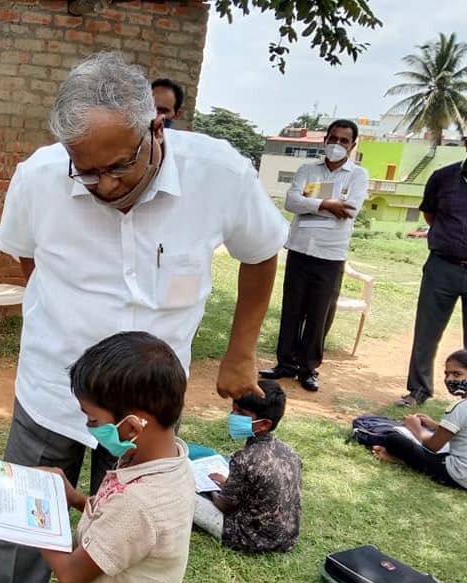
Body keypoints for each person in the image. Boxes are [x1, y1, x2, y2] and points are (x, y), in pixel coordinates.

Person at [0, 51, 286, 583]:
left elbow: (263, 249)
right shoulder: (40, 178)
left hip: (145, 415)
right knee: (25, 512)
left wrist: (241, 351)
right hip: (53, 389)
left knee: (118, 525)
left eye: (119, 165)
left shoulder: (217, 172)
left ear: (156, 130)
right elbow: (20, 257)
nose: (102, 184)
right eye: (87, 170)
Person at [37, 332, 194, 583]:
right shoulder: (160, 461)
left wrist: (32, 522)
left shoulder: (140, 504)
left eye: (93, 419)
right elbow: (115, 521)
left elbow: (72, 575)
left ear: (132, 425)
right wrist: (76, 499)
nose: (89, 426)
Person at [260, 119, 369, 392]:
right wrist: (327, 204)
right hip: (299, 249)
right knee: (292, 310)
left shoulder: (357, 175)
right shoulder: (307, 169)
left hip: (331, 256)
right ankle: (285, 363)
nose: (337, 144)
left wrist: (310, 204)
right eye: (333, 138)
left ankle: (308, 368)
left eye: (344, 140)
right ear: (325, 140)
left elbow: (351, 209)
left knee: (319, 314)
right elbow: (291, 201)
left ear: (352, 145)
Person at [192, 380, 303, 552]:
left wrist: (211, 491)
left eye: (241, 413)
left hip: (251, 538)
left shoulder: (244, 459)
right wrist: (228, 484)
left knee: (186, 496)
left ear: (264, 424)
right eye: (234, 410)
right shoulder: (289, 452)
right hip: (288, 537)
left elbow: (224, 506)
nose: (233, 416)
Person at [399, 137, 467, 408]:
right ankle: (418, 390)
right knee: (426, 332)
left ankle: (465, 395)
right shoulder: (443, 177)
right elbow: (430, 215)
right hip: (442, 266)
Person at [373, 349, 467, 490]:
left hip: (459, 475)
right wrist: (436, 427)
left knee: (394, 439)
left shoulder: (460, 407)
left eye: (457, 374)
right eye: (447, 374)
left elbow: (433, 446)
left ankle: (402, 460)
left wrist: (414, 427)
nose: (449, 379)